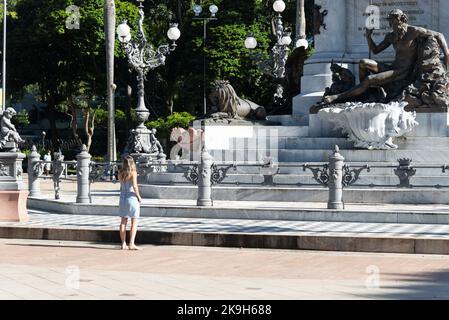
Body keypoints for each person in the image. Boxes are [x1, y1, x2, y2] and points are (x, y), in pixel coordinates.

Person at [324, 9, 449, 104]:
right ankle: (366, 93)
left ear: (403, 19)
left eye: (395, 20)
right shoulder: (391, 36)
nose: (393, 23)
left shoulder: (413, 31)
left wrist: (447, 52)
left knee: (370, 79)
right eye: (391, 20)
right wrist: (368, 36)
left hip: (402, 72)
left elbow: (439, 35)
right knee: (363, 62)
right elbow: (376, 50)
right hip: (393, 68)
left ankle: (338, 97)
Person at [118, 156, 143, 250]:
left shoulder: (120, 173)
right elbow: (135, 186)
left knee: (123, 221)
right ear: (132, 163)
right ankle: (131, 243)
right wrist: (139, 197)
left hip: (122, 197)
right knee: (134, 221)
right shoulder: (133, 173)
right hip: (131, 197)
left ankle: (123, 243)